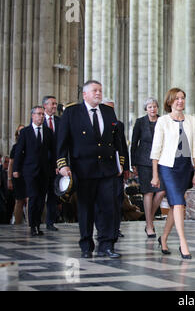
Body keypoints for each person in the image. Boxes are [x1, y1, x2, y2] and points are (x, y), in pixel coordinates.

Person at [57, 80, 125, 259]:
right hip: (84, 169)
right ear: (85, 94)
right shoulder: (72, 113)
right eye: (95, 90)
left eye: (100, 90)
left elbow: (117, 140)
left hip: (107, 169)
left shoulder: (108, 112)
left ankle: (107, 245)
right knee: (86, 209)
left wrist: (121, 164)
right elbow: (62, 141)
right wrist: (62, 164)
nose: (98, 93)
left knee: (108, 208)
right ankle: (86, 245)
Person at [150, 88, 195, 259]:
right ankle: (183, 243)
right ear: (170, 101)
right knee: (178, 203)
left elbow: (194, 148)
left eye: (183, 98)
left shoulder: (191, 120)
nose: (180, 101)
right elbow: (156, 150)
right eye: (177, 98)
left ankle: (163, 238)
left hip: (185, 167)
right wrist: (155, 175)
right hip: (167, 167)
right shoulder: (163, 121)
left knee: (177, 205)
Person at [13, 106, 55, 236]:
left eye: (42, 114)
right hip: (29, 170)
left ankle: (37, 224)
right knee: (33, 197)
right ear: (32, 116)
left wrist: (55, 166)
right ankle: (33, 225)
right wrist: (16, 169)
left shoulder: (48, 132)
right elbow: (19, 152)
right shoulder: (25, 132)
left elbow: (53, 151)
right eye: (38, 114)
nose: (41, 116)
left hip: (44, 171)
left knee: (41, 199)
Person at [131, 97, 166, 238]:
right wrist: (133, 163)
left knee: (161, 190)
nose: (153, 109)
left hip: (161, 160)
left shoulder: (163, 121)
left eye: (155, 106)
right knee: (148, 192)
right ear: (146, 109)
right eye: (150, 107)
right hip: (144, 160)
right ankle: (149, 225)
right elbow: (134, 143)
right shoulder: (140, 122)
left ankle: (148, 218)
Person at [102, 98, 130, 240]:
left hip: (117, 166)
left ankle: (116, 227)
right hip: (102, 168)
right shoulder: (97, 124)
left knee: (118, 197)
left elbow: (123, 147)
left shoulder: (119, 124)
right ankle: (104, 228)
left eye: (112, 108)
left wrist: (126, 167)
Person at [42, 96, 60, 231]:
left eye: (55, 104)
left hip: (57, 165)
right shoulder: (38, 121)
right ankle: (35, 222)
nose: (55, 106)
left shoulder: (60, 121)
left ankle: (50, 222)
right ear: (45, 106)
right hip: (41, 165)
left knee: (53, 195)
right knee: (39, 195)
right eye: (52, 104)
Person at [8, 125, 28, 225]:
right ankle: (17, 223)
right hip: (18, 176)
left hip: (28, 175)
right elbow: (11, 163)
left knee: (29, 199)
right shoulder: (15, 147)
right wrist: (9, 179)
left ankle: (31, 222)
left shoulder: (30, 145)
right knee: (19, 200)